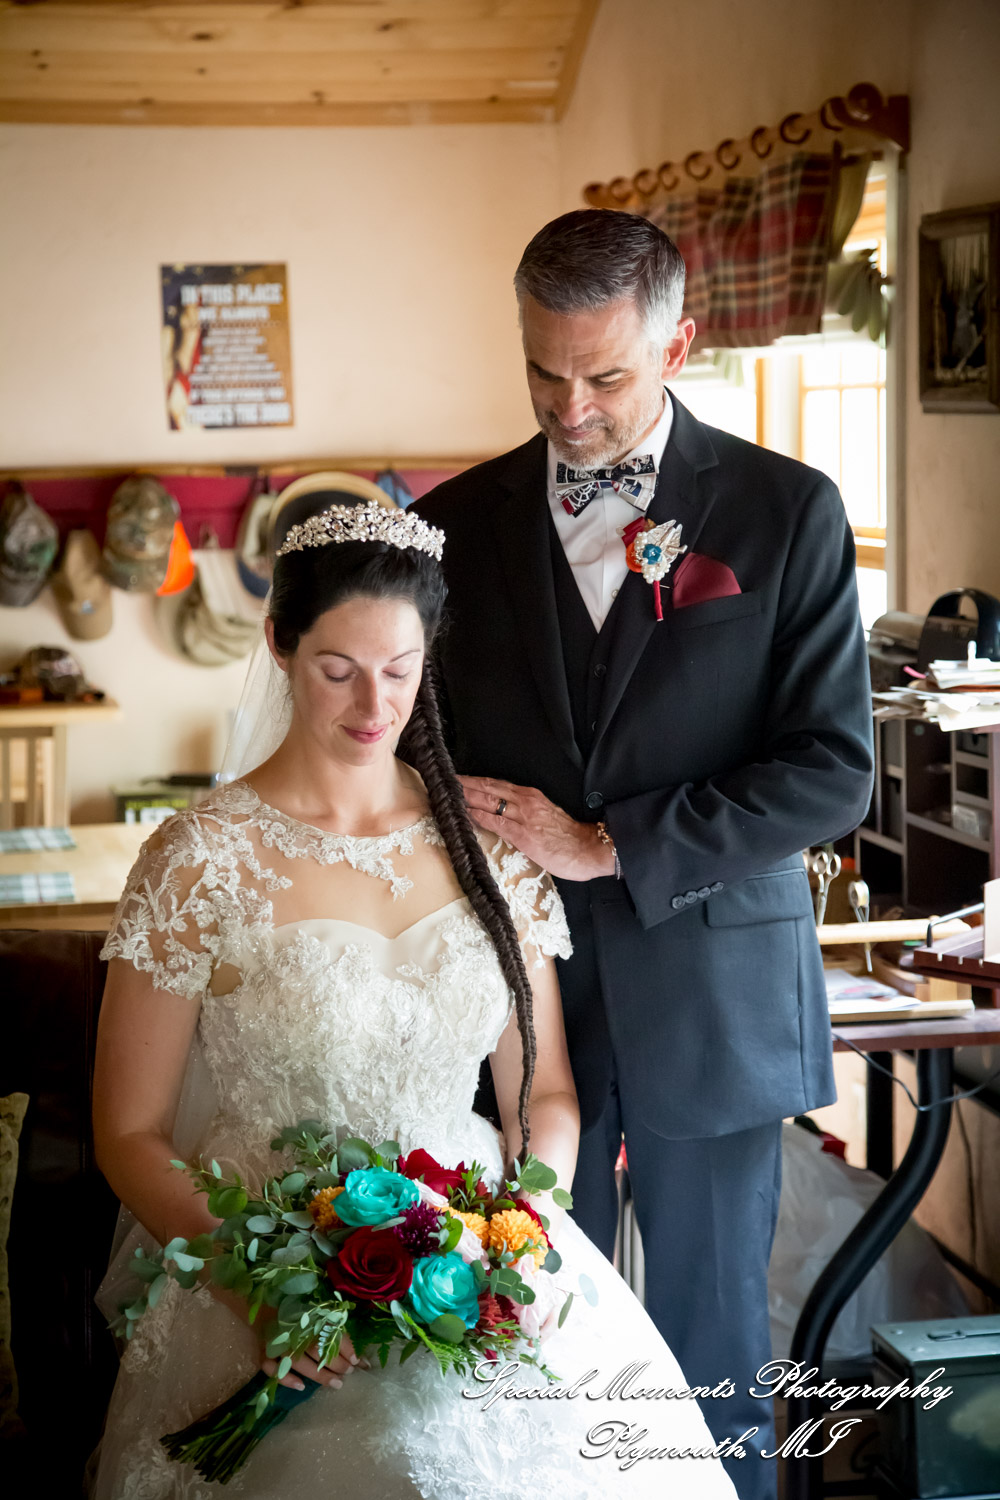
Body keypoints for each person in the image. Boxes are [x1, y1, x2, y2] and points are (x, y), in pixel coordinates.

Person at [86, 479, 738, 1499]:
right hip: (261, 1279)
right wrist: (260, 1289)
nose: (373, 706)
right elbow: (127, 1134)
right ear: (278, 645)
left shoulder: (495, 854)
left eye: (399, 670)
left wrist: (525, 1237)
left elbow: (547, 1097)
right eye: (337, 670)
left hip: (478, 1257)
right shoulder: (198, 861)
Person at [413, 210, 875, 1500]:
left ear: (680, 342)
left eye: (606, 376)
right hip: (513, 1003)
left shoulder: (790, 514)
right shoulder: (446, 527)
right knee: (525, 1325)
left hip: (712, 987)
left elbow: (832, 772)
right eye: (542, 372)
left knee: (710, 1335)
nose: (571, 408)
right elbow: (413, 751)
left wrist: (608, 844)